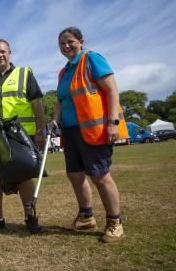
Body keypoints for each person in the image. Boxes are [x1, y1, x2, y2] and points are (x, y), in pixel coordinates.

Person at [52, 27, 128, 243]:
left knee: (99, 175)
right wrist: (55, 119)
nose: (66, 46)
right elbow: (60, 101)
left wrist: (113, 122)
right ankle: (86, 216)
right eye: (62, 44)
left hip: (94, 129)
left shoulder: (91, 59)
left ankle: (115, 222)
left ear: (81, 41)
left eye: (70, 41)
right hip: (70, 130)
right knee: (75, 174)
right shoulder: (64, 71)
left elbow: (112, 90)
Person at [0, 39, 46, 234]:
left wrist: (40, 130)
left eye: (3, 51)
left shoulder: (24, 74)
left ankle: (30, 217)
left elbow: (37, 104)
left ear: (10, 53)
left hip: (21, 136)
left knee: (24, 175)